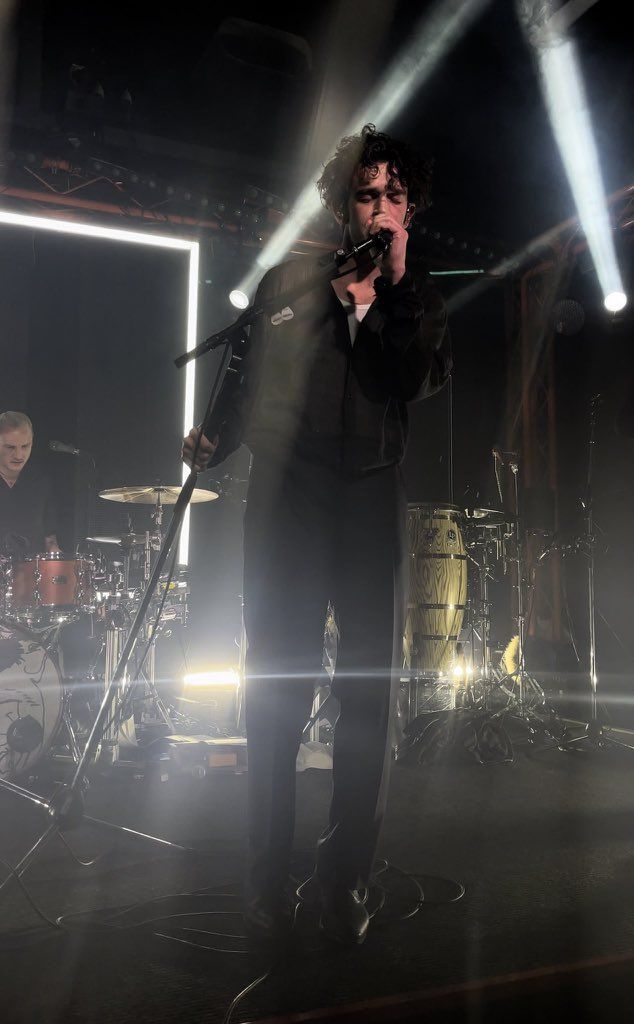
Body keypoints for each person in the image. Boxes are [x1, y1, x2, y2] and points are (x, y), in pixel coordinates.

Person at [183, 124, 452, 945]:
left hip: (369, 499)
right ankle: (267, 880)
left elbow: (412, 379)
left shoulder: (421, 300)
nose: (381, 207)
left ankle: (348, 878)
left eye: (394, 196)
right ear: (344, 205)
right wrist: (212, 437)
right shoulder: (294, 282)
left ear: (410, 210)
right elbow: (251, 375)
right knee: (275, 690)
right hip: (289, 497)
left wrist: (392, 297)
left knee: (367, 695)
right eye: (368, 194)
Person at [0, 411, 60, 556]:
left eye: (25, 446)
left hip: (32, 573)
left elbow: (50, 538)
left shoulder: (41, 481)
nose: (19, 455)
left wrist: (56, 556)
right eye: (10, 447)